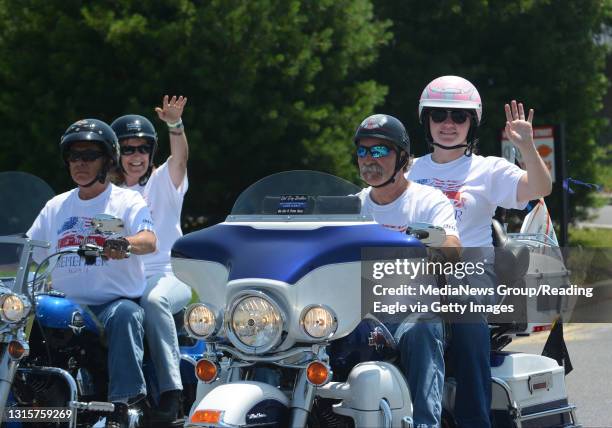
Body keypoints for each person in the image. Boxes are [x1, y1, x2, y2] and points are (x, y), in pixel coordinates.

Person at [408, 75, 552, 427]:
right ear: (426, 120)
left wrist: (527, 149)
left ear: (472, 123)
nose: (448, 124)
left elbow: (539, 187)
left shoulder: (488, 169)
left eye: (459, 117)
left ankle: (475, 421)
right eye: (439, 115)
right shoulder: (408, 169)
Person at [27, 118, 157, 428]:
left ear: (107, 161)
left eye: (89, 156)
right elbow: (28, 251)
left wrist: (124, 242)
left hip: (110, 305)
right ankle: (25, 397)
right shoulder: (55, 207)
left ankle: (123, 406)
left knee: (127, 314)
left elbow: (149, 240)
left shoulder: (126, 201)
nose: (80, 163)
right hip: (63, 305)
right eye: (74, 156)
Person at [354, 113, 460, 428]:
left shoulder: (428, 201)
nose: (368, 160)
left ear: (402, 158)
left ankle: (426, 423)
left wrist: (424, 242)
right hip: (359, 312)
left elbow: (453, 247)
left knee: (423, 329)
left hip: (412, 312)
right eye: (362, 151)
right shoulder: (353, 205)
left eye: (379, 151)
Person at [110, 95, 191, 424]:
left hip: (171, 276)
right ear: (115, 154)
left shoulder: (162, 182)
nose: (136, 156)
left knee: (154, 300)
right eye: (127, 149)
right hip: (125, 280)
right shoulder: (107, 195)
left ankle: (173, 395)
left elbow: (181, 157)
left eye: (142, 149)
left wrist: (175, 125)